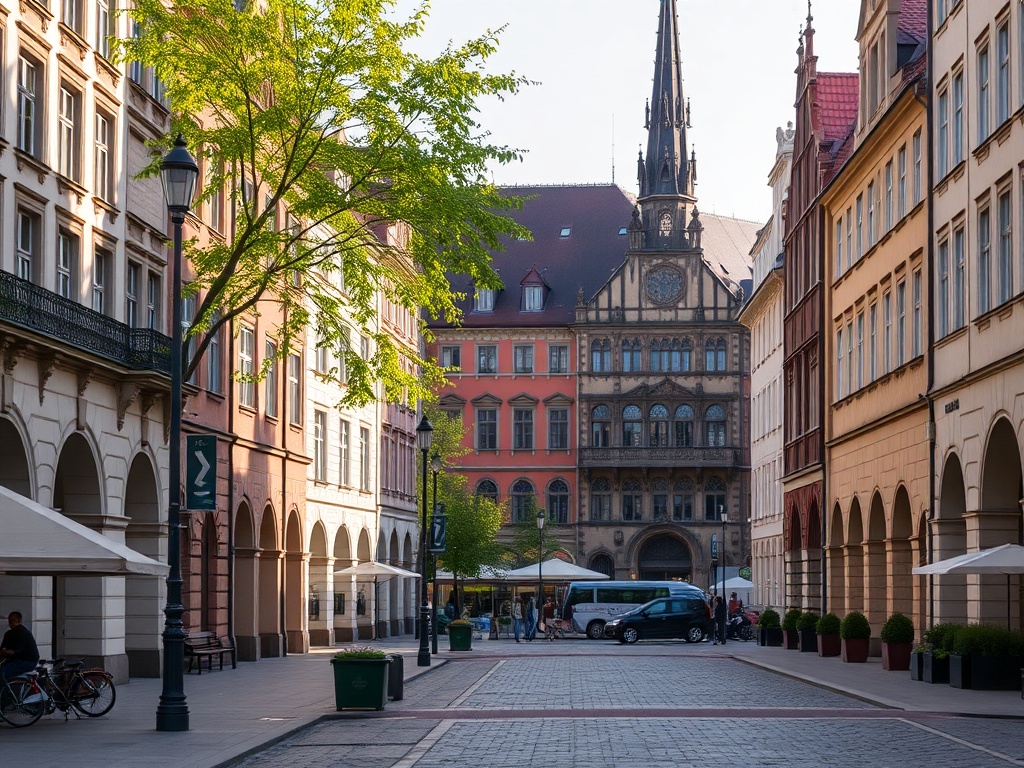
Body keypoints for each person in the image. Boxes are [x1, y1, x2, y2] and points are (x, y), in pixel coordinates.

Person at [1, 611, 40, 681]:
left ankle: (5, 690)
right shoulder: (15, 633)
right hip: (27, 661)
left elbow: (18, 650)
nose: (10, 624)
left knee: (3, 672)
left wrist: (8, 652)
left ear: (19, 621)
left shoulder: (20, 633)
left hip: (26, 661)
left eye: (12, 621)